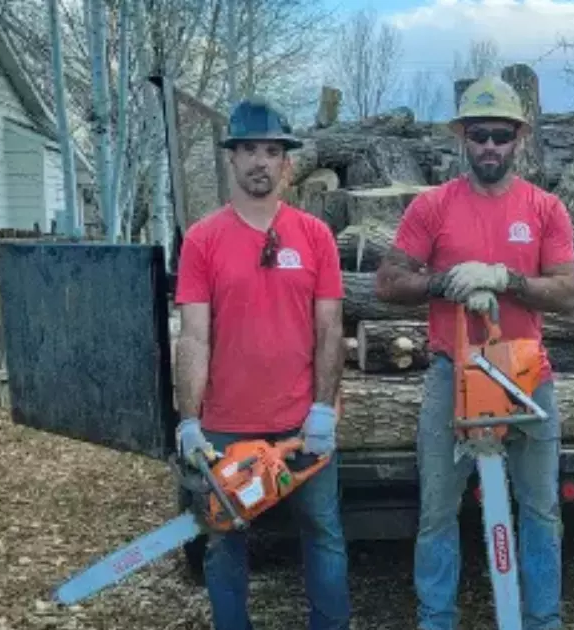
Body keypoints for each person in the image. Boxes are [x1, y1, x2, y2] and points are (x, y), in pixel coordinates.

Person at [374, 75, 574, 630]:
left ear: (520, 140)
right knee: (438, 510)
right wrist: (442, 283)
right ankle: (436, 619)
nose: (491, 146)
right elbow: (388, 281)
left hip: (526, 370)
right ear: (462, 137)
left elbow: (567, 290)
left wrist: (508, 277)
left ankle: (543, 620)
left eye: (502, 136)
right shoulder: (433, 207)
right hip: (452, 369)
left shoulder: (544, 209)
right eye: (480, 135)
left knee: (540, 508)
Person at [173, 97, 351, 630]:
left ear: (287, 163)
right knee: (224, 544)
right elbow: (195, 336)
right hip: (226, 424)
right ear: (232, 158)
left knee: (323, 534)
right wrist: (189, 419)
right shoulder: (203, 239)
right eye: (249, 150)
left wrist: (322, 410)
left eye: (271, 151)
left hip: (301, 423)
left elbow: (329, 329)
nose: (260, 162)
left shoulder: (315, 236)